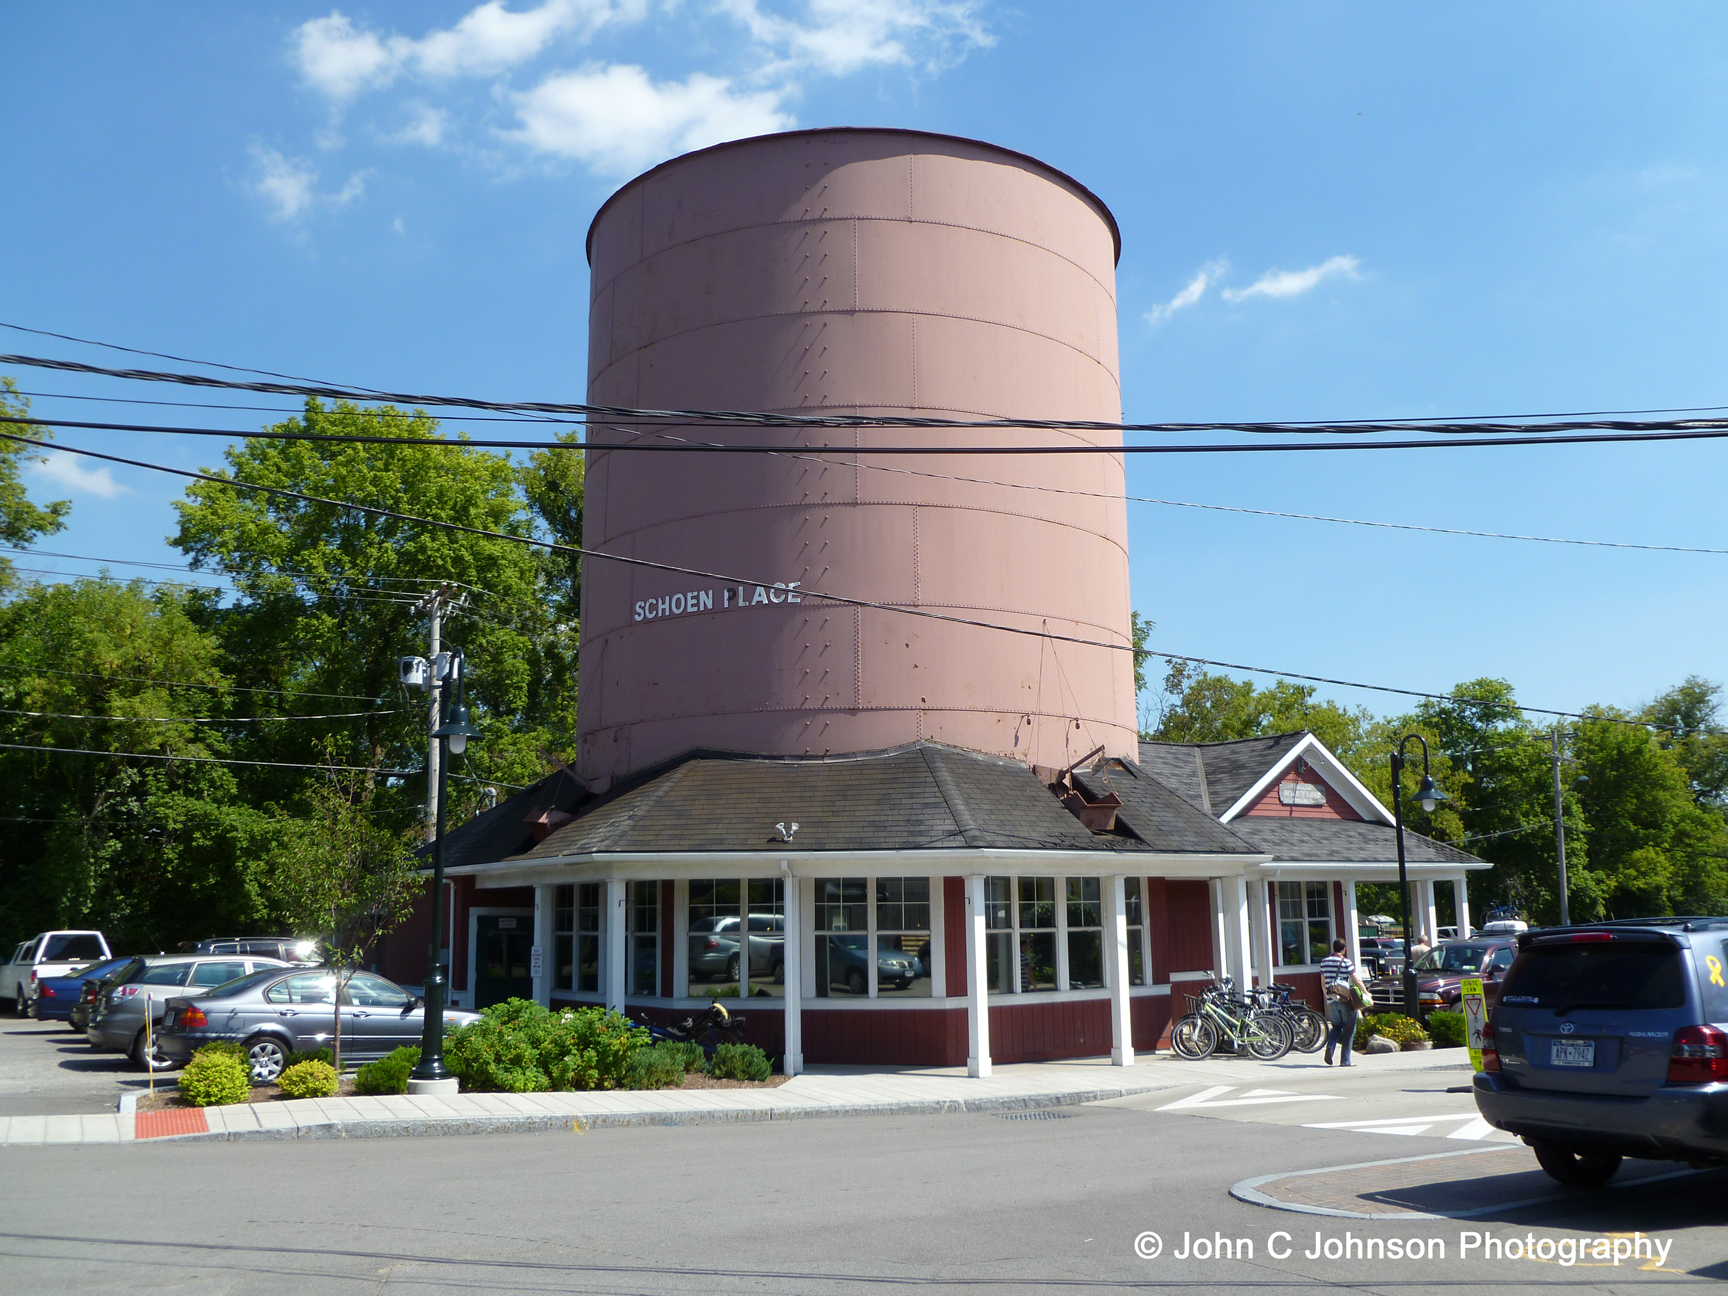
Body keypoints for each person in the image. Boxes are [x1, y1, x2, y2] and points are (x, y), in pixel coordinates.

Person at [1320, 938, 1359, 1067]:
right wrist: (1365, 992)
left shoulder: (1324, 962)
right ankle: (1345, 1060)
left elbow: (1322, 982)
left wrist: (1327, 998)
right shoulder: (1346, 962)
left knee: (1336, 1027)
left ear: (1333, 948)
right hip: (1344, 998)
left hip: (1331, 998)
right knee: (1348, 1029)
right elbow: (1356, 980)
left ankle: (1330, 1047)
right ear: (1344, 949)